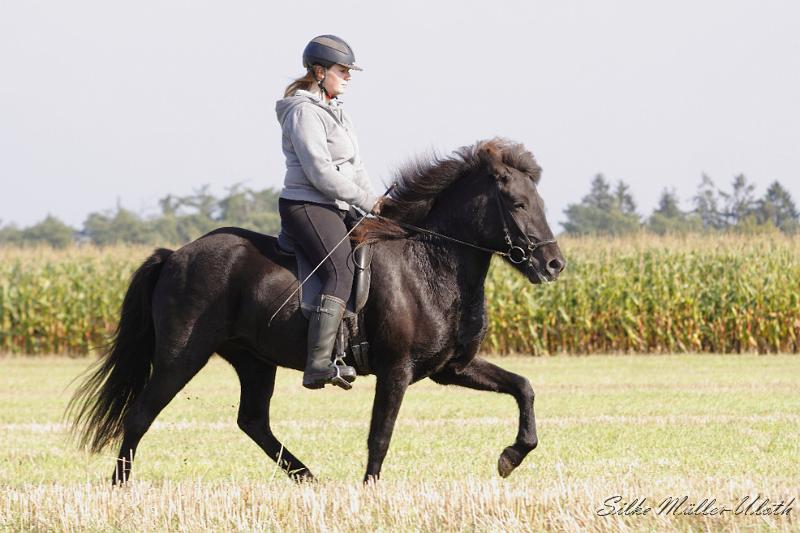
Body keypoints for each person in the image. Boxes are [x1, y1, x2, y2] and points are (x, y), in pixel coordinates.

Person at [276, 35, 381, 389]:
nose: (348, 77)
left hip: (337, 204)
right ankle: (319, 363)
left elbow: (355, 165)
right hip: (307, 204)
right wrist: (366, 202)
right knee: (341, 270)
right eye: (342, 70)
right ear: (319, 72)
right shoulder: (303, 112)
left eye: (349, 71)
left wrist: (374, 203)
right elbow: (320, 173)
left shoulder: (338, 113)